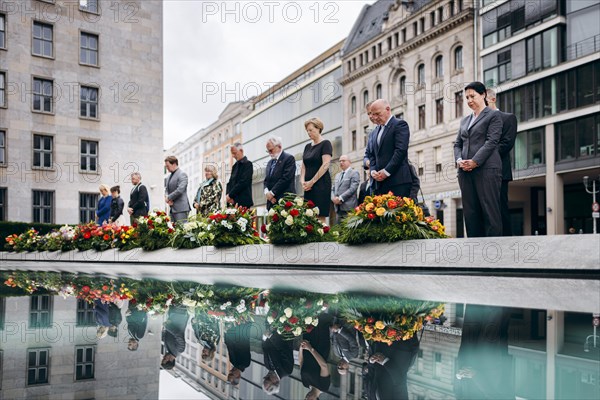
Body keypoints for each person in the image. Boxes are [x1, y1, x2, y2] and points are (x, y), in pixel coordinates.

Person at [454, 82, 503, 237]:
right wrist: (459, 159)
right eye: (467, 97)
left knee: (490, 213)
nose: (469, 100)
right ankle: (475, 254)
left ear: (483, 95)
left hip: (487, 171)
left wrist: (475, 161)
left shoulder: (494, 115)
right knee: (470, 214)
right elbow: (457, 144)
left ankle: (493, 254)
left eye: (472, 96)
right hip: (465, 173)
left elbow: (492, 142)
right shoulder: (465, 120)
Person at [455, 304, 513, 399]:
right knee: (492, 321)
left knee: (472, 321)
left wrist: (459, 376)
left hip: (468, 363)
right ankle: (496, 294)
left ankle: (478, 294)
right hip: (489, 369)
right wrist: (475, 375)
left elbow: (458, 392)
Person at [487, 88, 517, 236]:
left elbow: (507, 144)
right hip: (481, 172)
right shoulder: (478, 120)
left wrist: (482, 155)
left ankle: (506, 241)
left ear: (492, 99)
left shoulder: (508, 118)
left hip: (499, 171)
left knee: (500, 208)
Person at [366, 99, 412, 196]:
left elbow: (400, 151)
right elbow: (372, 155)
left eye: (377, 114)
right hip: (379, 184)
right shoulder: (374, 132)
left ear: (388, 109)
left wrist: (386, 171)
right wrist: (373, 170)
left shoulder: (399, 125)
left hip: (398, 182)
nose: (374, 117)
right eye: (372, 114)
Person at [301, 117, 333, 222]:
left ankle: (322, 237)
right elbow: (303, 165)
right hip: (308, 186)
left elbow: (325, 165)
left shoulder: (326, 144)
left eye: (311, 130)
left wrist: (312, 182)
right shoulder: (307, 146)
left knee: (319, 215)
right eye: (307, 131)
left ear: (318, 128)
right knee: (308, 215)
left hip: (321, 184)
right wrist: (303, 182)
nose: (308, 133)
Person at [300, 313, 332, 400]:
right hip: (319, 347)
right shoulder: (323, 387)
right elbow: (323, 366)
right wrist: (310, 348)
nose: (306, 398)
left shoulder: (305, 383)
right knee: (321, 319)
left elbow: (301, 362)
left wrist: (301, 348)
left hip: (307, 344)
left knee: (308, 319)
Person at [264, 136, 296, 210]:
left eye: (271, 150)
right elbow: (266, 180)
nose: (269, 153)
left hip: (285, 201)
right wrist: (267, 194)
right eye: (268, 151)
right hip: (272, 202)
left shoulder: (289, 159)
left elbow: (286, 178)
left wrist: (272, 193)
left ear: (279, 146)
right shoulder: (270, 162)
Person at [262, 331, 294, 395]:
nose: (267, 376)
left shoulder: (267, 366)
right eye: (268, 379)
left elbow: (265, 349)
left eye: (265, 378)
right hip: (285, 333)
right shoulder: (286, 371)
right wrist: (271, 336)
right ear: (276, 382)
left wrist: (264, 338)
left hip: (270, 330)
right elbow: (285, 350)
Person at [331, 154, 360, 224]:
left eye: (343, 161)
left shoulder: (354, 173)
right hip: (338, 209)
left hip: (349, 209)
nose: (341, 162)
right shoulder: (337, 175)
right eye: (340, 161)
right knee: (339, 232)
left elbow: (353, 188)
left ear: (349, 162)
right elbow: (333, 189)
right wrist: (333, 198)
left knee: (348, 232)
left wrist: (340, 198)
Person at [161, 305, 190, 370]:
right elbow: (178, 335)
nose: (164, 357)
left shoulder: (168, 350)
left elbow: (167, 335)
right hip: (180, 315)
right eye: (165, 359)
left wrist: (163, 331)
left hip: (173, 314)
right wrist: (167, 327)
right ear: (170, 360)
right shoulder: (180, 350)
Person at [226, 142, 254, 208]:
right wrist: (228, 196)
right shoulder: (234, 166)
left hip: (243, 202)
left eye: (234, 153)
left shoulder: (248, 164)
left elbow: (244, 182)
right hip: (233, 202)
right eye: (232, 153)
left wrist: (230, 195)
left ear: (241, 151)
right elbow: (230, 183)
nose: (233, 156)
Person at [164, 155, 191, 223]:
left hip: (181, 208)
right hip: (172, 208)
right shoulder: (168, 177)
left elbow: (180, 190)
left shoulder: (182, 174)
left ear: (174, 164)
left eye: (168, 166)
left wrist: (169, 197)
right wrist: (167, 197)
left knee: (182, 230)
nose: (167, 168)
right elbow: (166, 189)